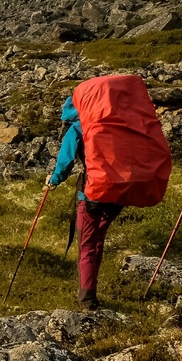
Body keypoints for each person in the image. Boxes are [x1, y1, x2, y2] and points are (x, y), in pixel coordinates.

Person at [49, 95, 121, 311]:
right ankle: (90, 290)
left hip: (92, 192)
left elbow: (65, 162)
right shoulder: (114, 124)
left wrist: (53, 181)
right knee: (97, 240)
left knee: (87, 245)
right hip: (118, 192)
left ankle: (87, 300)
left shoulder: (78, 128)